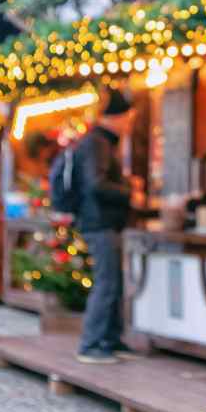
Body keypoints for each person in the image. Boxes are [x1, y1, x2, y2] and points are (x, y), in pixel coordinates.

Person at [74, 88, 138, 364]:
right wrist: (129, 191)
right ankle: (91, 344)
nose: (128, 124)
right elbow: (95, 184)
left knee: (114, 281)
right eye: (127, 118)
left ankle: (110, 340)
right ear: (117, 117)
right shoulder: (97, 143)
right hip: (99, 222)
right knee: (107, 282)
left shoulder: (101, 143)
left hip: (103, 221)